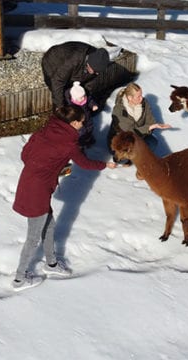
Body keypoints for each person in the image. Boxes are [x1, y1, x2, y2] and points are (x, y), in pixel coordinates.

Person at [11, 105, 117, 291]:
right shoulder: (68, 143)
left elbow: (25, 155)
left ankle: (51, 264)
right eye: (82, 123)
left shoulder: (44, 131)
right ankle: (19, 279)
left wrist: (48, 167)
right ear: (73, 123)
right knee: (33, 237)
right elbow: (84, 163)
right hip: (37, 192)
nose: (83, 125)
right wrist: (105, 165)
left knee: (50, 226)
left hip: (30, 182)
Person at [106, 82, 170, 162]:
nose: (141, 98)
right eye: (138, 96)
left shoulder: (144, 103)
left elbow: (151, 121)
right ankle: (130, 160)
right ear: (129, 98)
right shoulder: (119, 110)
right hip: (122, 142)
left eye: (141, 95)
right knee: (123, 159)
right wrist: (149, 127)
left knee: (152, 143)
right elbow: (130, 132)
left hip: (138, 136)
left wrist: (150, 127)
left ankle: (139, 159)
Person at [41, 41, 111, 109]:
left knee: (77, 92)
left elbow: (88, 83)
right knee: (60, 93)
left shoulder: (98, 59)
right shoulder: (72, 61)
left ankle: (78, 110)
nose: (97, 73)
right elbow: (57, 82)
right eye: (95, 71)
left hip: (75, 67)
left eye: (98, 71)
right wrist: (60, 107)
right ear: (89, 64)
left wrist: (86, 98)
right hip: (52, 63)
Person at [66, 81, 98, 148]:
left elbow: (90, 101)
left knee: (90, 128)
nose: (83, 98)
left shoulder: (85, 99)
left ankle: (89, 139)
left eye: (84, 96)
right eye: (81, 98)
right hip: (79, 121)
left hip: (87, 117)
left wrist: (93, 105)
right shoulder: (72, 105)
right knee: (81, 132)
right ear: (74, 98)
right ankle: (81, 143)